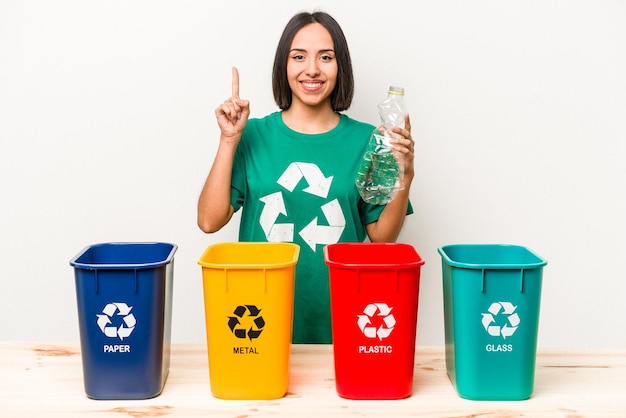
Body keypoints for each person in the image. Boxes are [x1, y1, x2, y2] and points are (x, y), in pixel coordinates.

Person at [197, 11, 415, 344]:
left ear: (340, 66)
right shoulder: (251, 134)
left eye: (325, 57)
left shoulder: (370, 140)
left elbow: (382, 239)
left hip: (342, 318)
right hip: (257, 320)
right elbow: (209, 221)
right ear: (283, 66)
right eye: (298, 56)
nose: (312, 69)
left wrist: (405, 174)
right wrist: (229, 139)